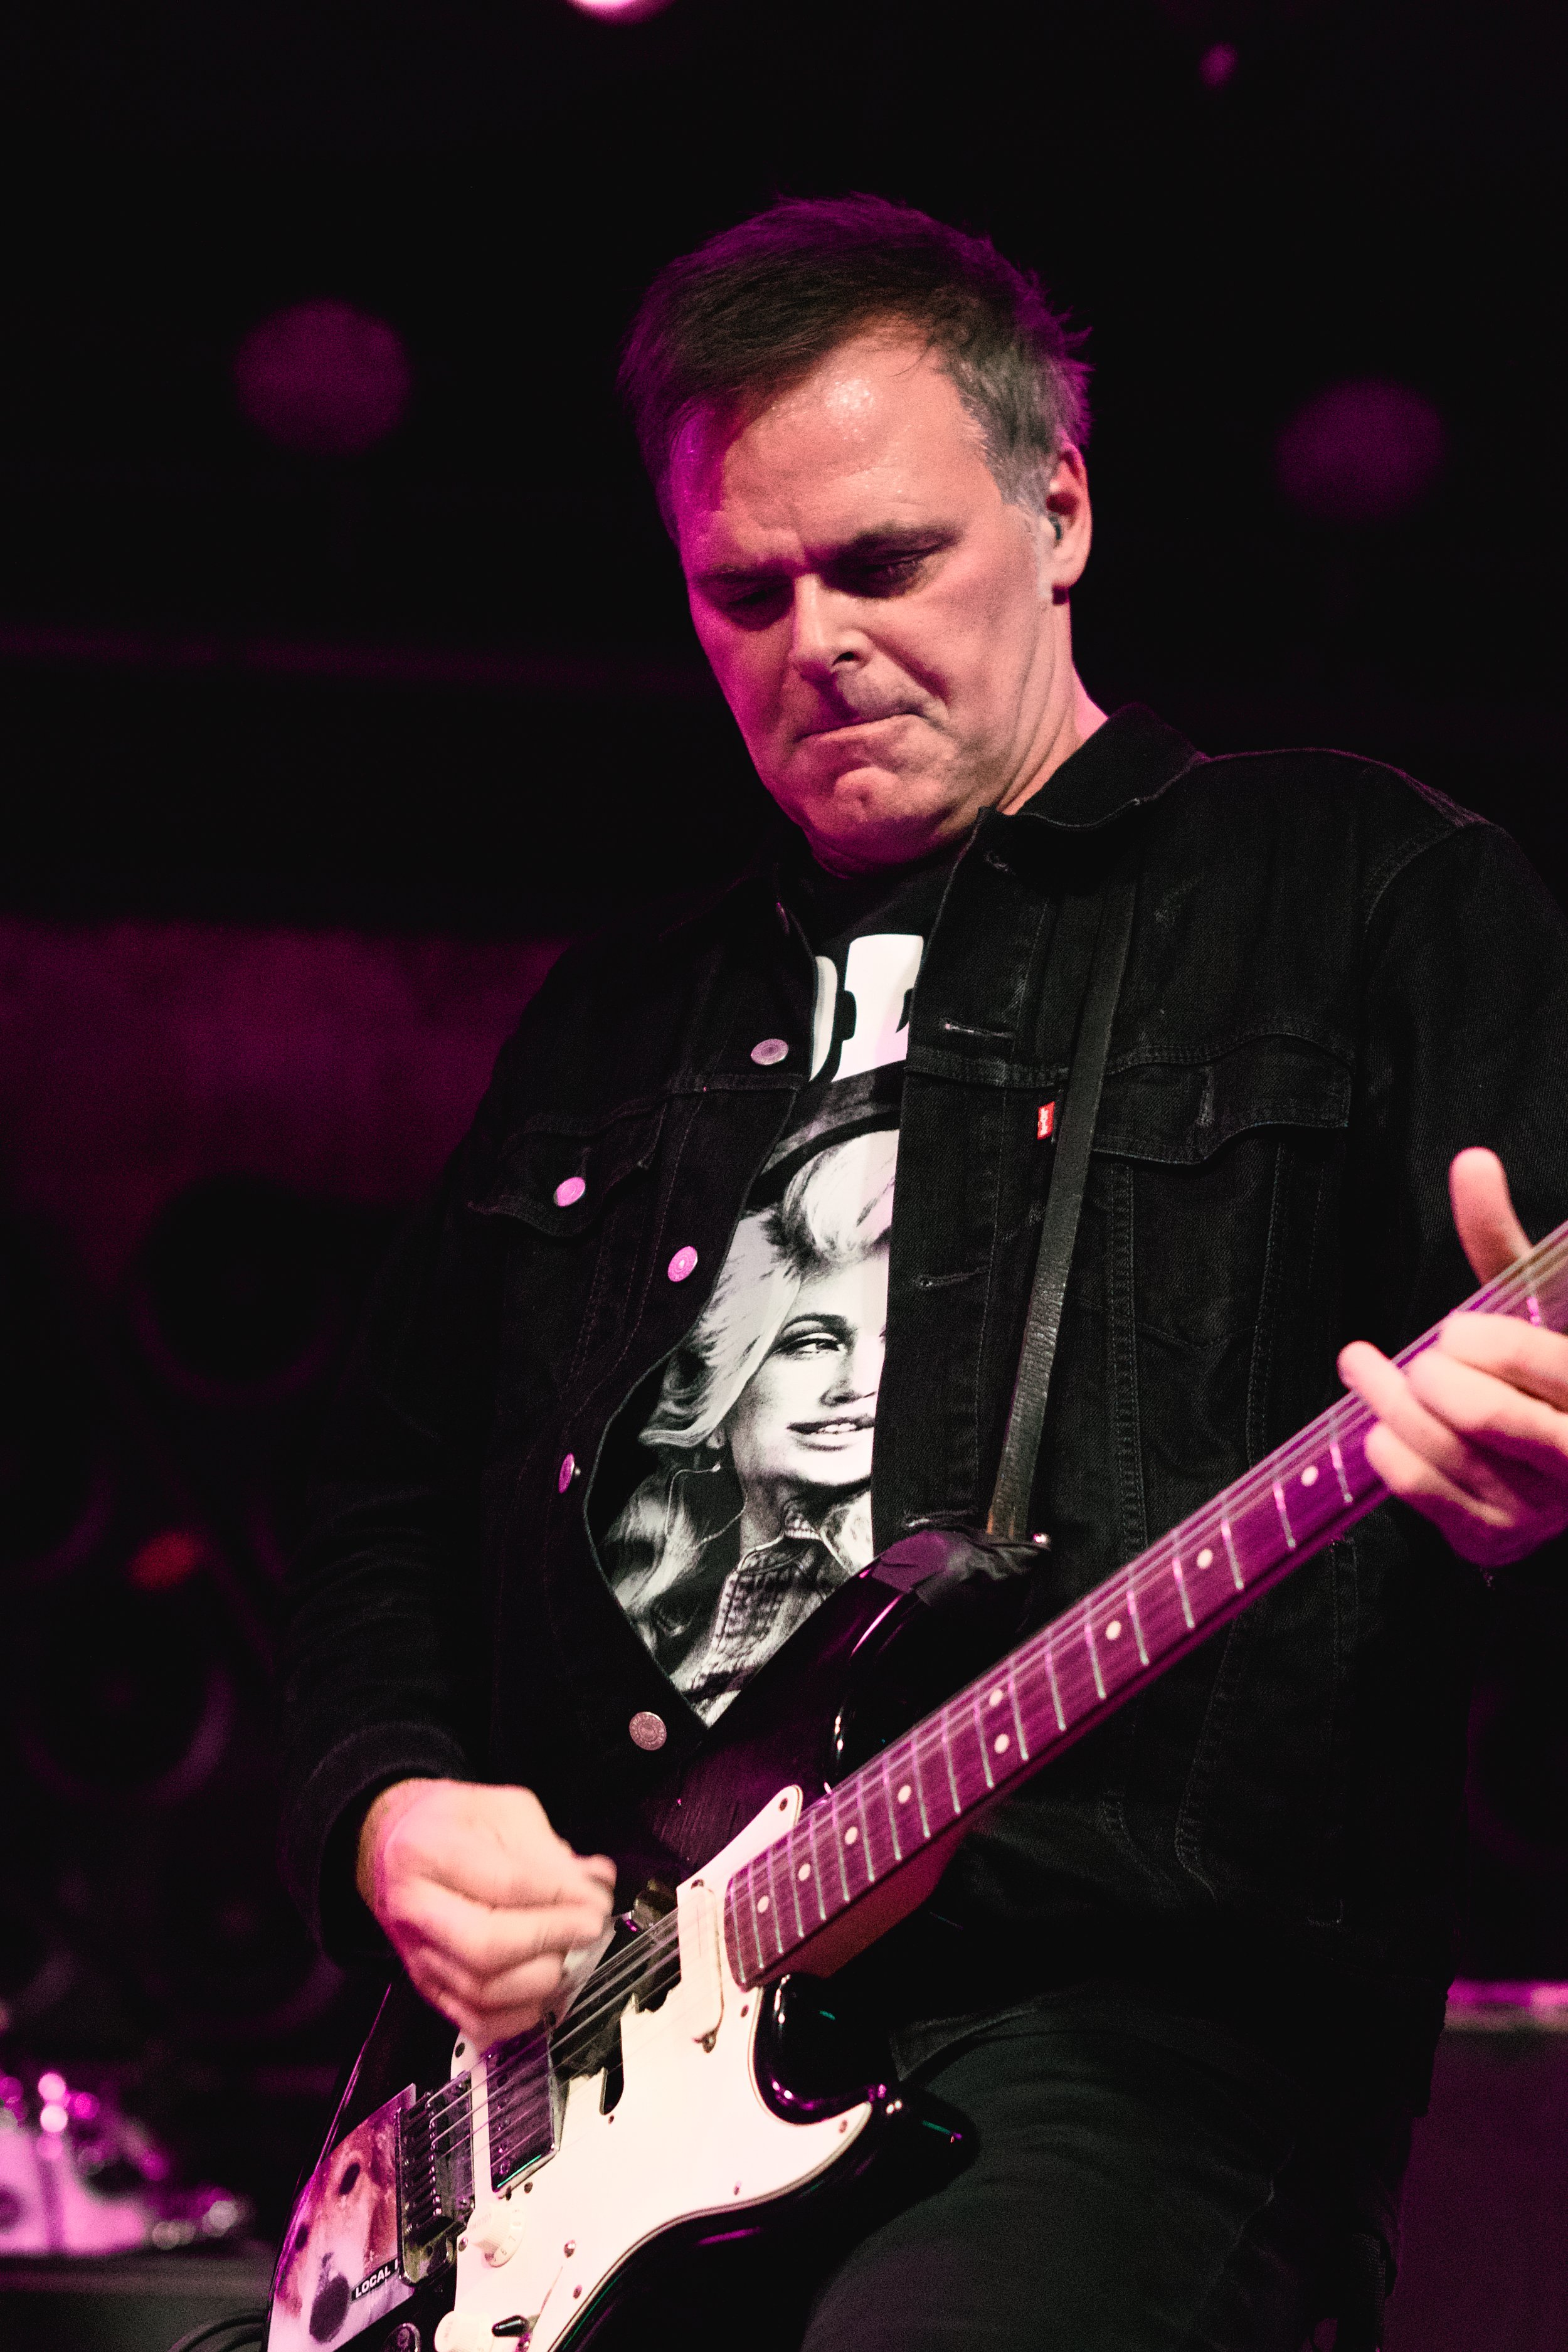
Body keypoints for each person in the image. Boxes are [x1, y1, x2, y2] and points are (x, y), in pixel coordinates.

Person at [282, 196, 1568, 2351]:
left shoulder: (1353, 889)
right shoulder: (618, 1020)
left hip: (1129, 2048)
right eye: (741, 591)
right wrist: (388, 1808)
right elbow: (378, 1508)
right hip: (584, 2098)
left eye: (882, 564)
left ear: (1058, 509)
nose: (815, 643)